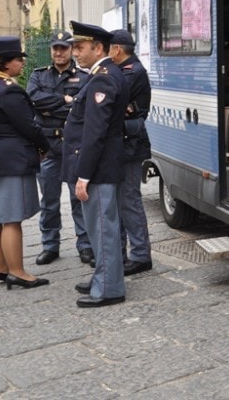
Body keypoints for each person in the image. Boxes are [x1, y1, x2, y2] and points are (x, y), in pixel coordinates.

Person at [63, 21, 130, 307]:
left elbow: (95, 132)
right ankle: (104, 275)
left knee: (103, 227)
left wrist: (84, 174)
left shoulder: (103, 77)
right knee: (100, 226)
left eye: (80, 47)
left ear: (98, 47)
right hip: (103, 165)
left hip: (99, 168)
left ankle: (109, 288)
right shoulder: (104, 74)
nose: (75, 53)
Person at [0, 36, 50, 290]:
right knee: (11, 219)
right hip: (12, 157)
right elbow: (28, 126)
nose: (21, 63)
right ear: (6, 63)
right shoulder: (9, 89)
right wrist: (45, 146)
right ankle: (17, 272)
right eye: (18, 59)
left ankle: (0, 268)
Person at [27, 30, 94, 266]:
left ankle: (85, 245)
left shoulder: (85, 78)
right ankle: (50, 245)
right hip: (48, 147)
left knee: (79, 198)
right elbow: (34, 100)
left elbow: (82, 109)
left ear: (71, 50)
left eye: (63, 48)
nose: (58, 52)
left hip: (74, 147)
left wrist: (53, 106)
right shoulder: (38, 77)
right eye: (55, 48)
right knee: (49, 200)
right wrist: (65, 102)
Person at [109, 29, 153, 275]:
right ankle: (122, 252)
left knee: (129, 201)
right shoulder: (122, 70)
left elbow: (111, 99)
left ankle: (140, 255)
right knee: (119, 201)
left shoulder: (133, 71)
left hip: (131, 142)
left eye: (108, 48)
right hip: (122, 142)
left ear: (117, 49)